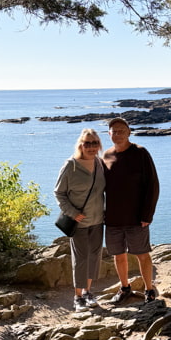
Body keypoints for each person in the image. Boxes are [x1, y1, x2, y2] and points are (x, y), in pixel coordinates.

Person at [102, 117, 160, 304]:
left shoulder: (141, 153)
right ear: (109, 134)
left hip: (137, 217)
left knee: (142, 255)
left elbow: (152, 185)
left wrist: (147, 214)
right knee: (119, 256)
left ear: (129, 132)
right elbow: (99, 188)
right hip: (112, 218)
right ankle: (125, 287)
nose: (117, 134)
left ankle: (149, 290)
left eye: (121, 130)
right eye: (114, 131)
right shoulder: (106, 156)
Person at [54, 128, 105, 312]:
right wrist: (72, 212)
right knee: (81, 259)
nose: (91, 147)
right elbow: (59, 193)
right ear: (80, 145)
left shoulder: (100, 164)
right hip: (79, 223)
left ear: (99, 145)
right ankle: (77, 297)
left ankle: (88, 292)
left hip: (98, 220)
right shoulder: (71, 166)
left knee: (94, 257)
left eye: (94, 143)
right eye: (87, 143)